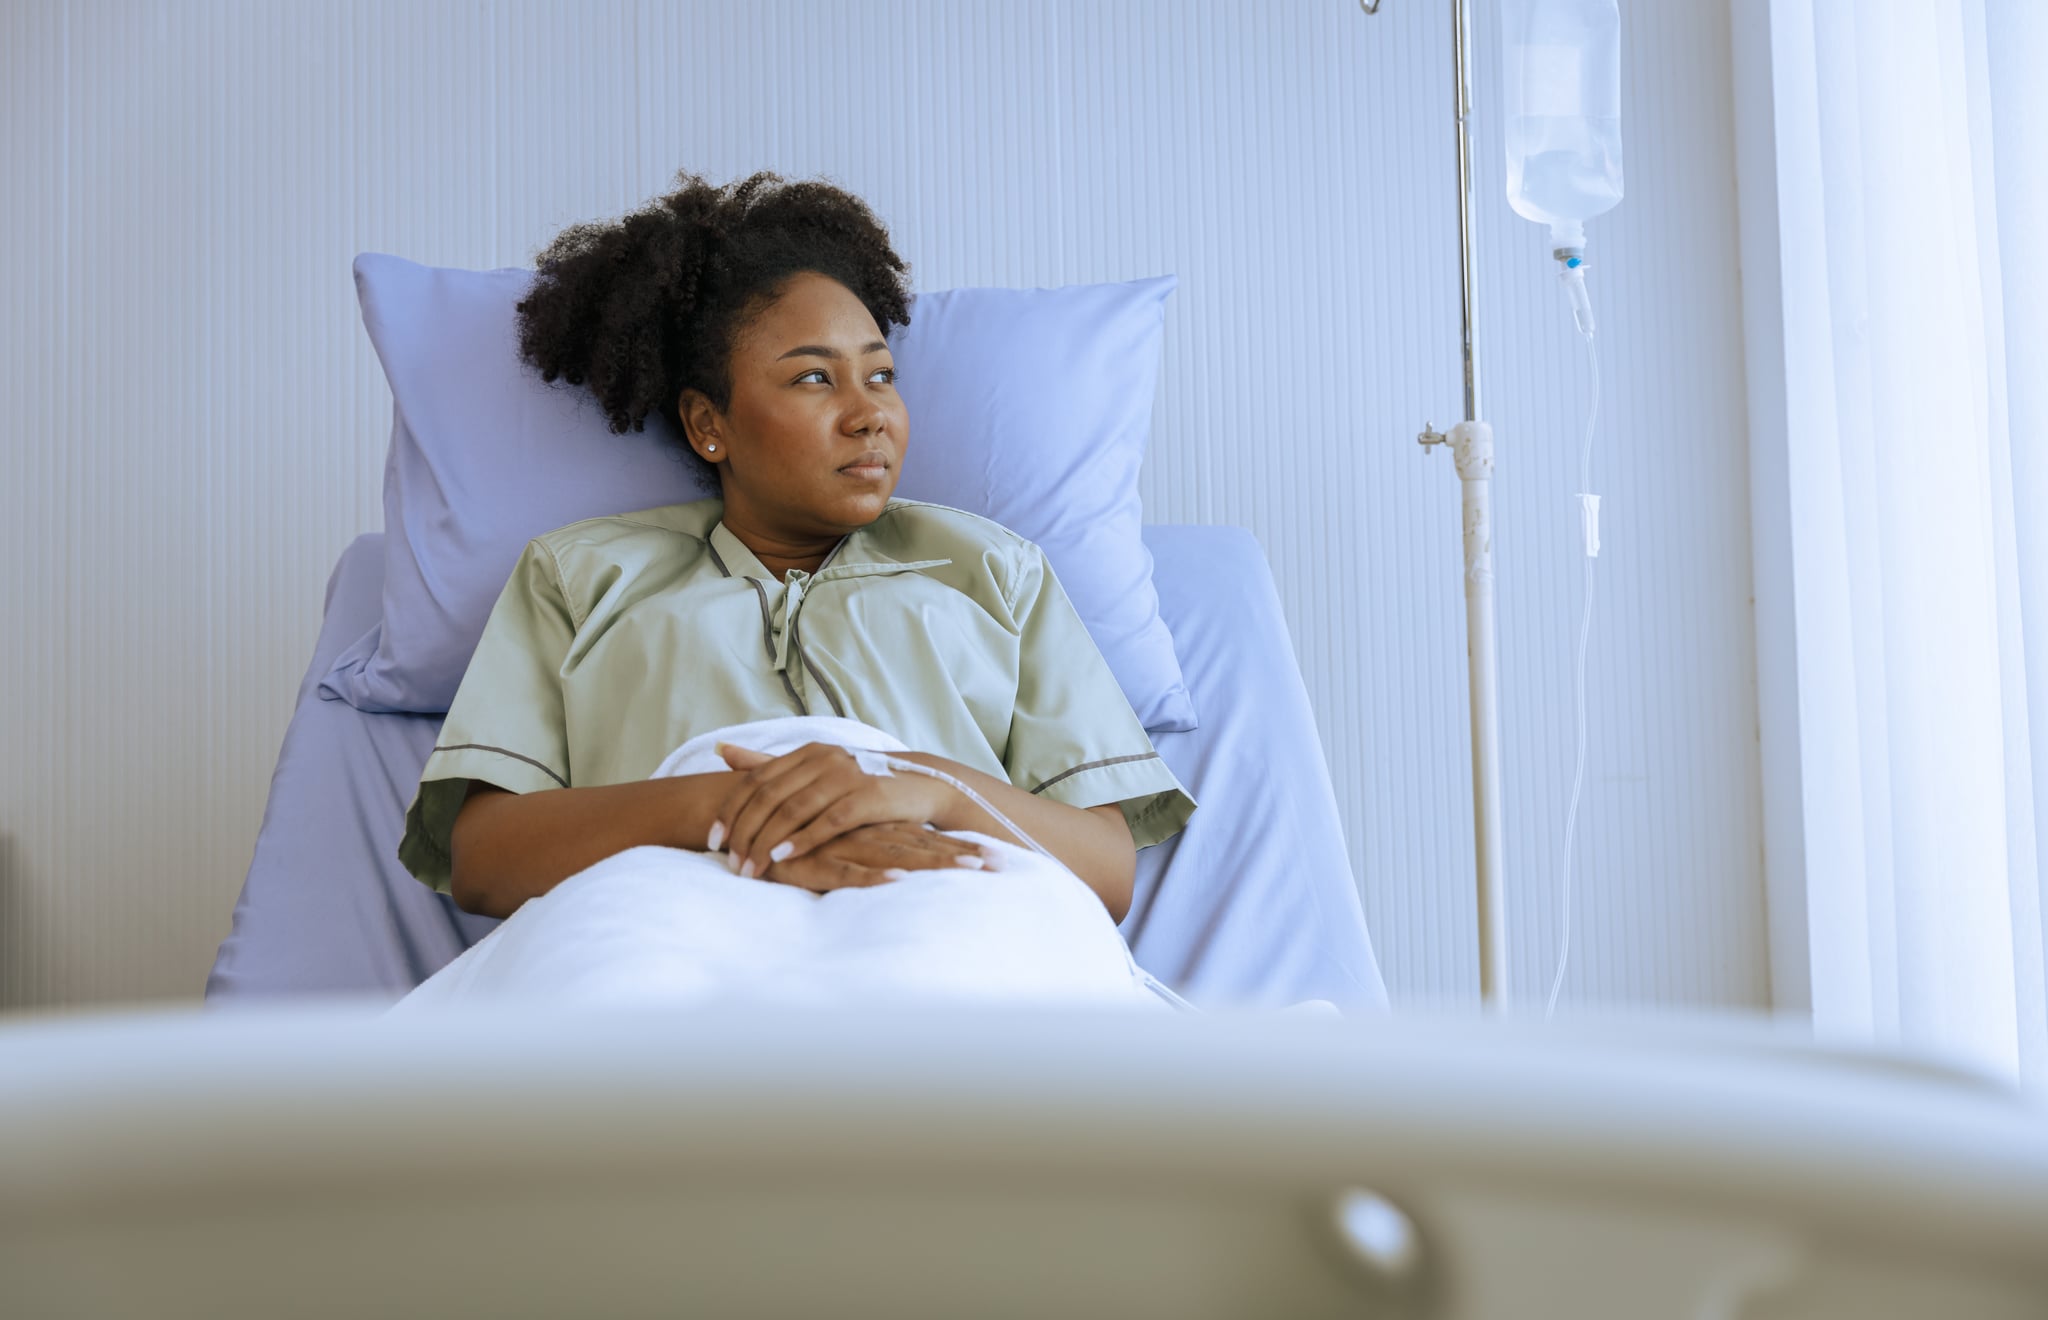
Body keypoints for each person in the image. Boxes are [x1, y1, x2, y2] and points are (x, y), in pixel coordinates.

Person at [395, 171, 1195, 951]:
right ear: (710, 424)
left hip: (944, 911)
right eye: (815, 377)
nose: (870, 415)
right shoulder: (579, 576)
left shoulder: (995, 572)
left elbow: (1106, 870)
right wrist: (735, 807)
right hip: (664, 923)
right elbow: (485, 858)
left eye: (881, 376)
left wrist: (918, 786)